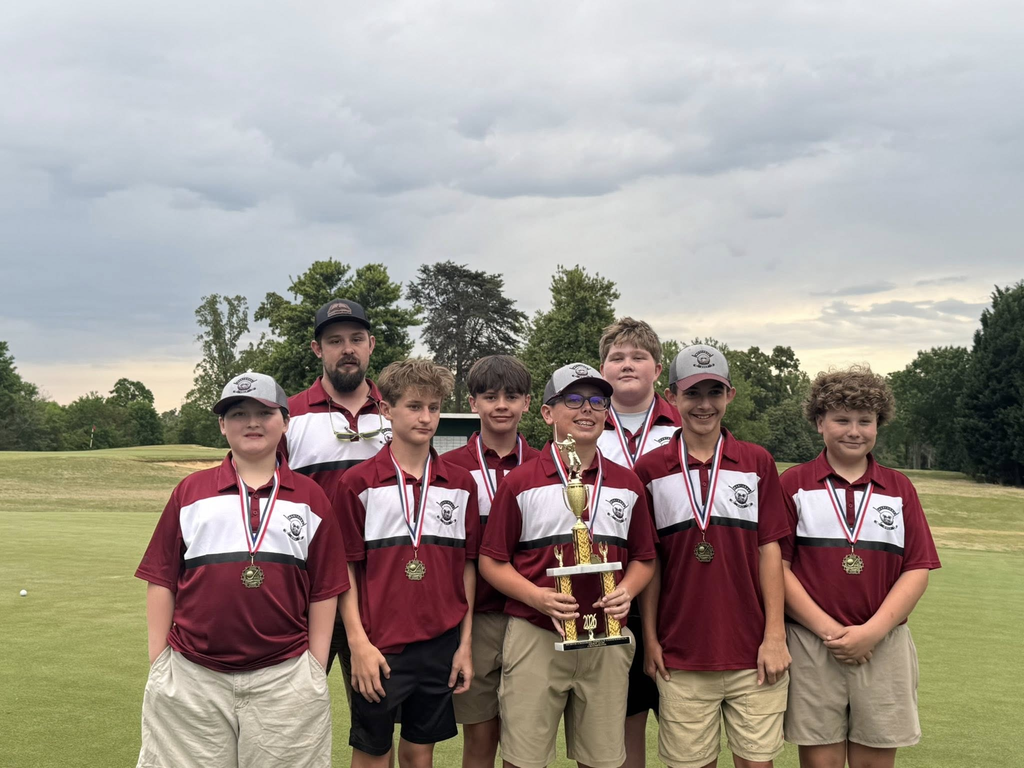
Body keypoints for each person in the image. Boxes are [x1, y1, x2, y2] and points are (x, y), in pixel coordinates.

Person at [135, 372, 349, 768]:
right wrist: (159, 661)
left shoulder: (310, 497)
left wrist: (315, 669)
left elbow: (325, 589)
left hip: (284, 679)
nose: (251, 422)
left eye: (264, 412)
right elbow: (162, 579)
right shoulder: (190, 492)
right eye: (238, 413)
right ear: (221, 424)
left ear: (285, 422)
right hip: (192, 677)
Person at [480, 363, 657, 768]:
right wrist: (538, 597)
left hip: (608, 639)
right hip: (536, 632)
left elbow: (645, 558)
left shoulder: (627, 484)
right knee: (524, 760)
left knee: (604, 759)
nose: (587, 409)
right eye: (573, 400)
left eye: (597, 401)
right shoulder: (521, 482)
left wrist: (627, 590)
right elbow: (493, 561)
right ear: (547, 412)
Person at [635, 345, 791, 768]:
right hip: (681, 656)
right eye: (693, 393)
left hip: (753, 654)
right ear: (671, 396)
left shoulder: (757, 462)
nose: (704, 405)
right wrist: (650, 639)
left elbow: (770, 550)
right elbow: (651, 564)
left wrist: (774, 636)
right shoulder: (649, 470)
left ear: (730, 396)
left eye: (714, 392)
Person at [779, 366, 941, 768]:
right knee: (821, 762)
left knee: (874, 762)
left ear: (878, 425)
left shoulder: (899, 487)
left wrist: (870, 632)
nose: (854, 431)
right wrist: (829, 630)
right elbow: (777, 569)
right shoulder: (793, 484)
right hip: (812, 643)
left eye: (865, 421)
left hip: (882, 644)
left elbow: (916, 570)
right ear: (820, 422)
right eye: (841, 419)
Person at [332, 359, 479, 768]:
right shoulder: (357, 483)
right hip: (379, 644)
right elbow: (345, 571)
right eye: (414, 406)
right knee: (373, 752)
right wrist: (357, 644)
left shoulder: (461, 484)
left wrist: (464, 644)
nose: (426, 417)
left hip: (440, 644)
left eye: (434, 407)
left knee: (419, 753)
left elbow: (468, 567)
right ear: (386, 410)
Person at [284, 298, 391, 693]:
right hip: (306, 593)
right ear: (318, 349)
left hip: (378, 589)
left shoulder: (395, 413)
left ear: (371, 344)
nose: (347, 348)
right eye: (334, 340)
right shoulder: (288, 416)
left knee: (374, 727)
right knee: (292, 713)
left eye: (356, 338)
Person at [441, 355, 541, 768]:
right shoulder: (448, 469)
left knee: (525, 742)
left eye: (511, 396)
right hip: (475, 618)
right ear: (472, 403)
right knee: (480, 740)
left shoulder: (546, 466)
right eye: (490, 396)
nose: (501, 405)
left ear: (528, 403)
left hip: (530, 616)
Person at [596, 317, 681, 767]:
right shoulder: (582, 426)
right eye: (616, 357)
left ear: (657, 369)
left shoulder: (686, 423)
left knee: (685, 723)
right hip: (611, 594)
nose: (627, 365)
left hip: (681, 594)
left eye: (638, 357)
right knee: (620, 721)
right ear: (602, 369)